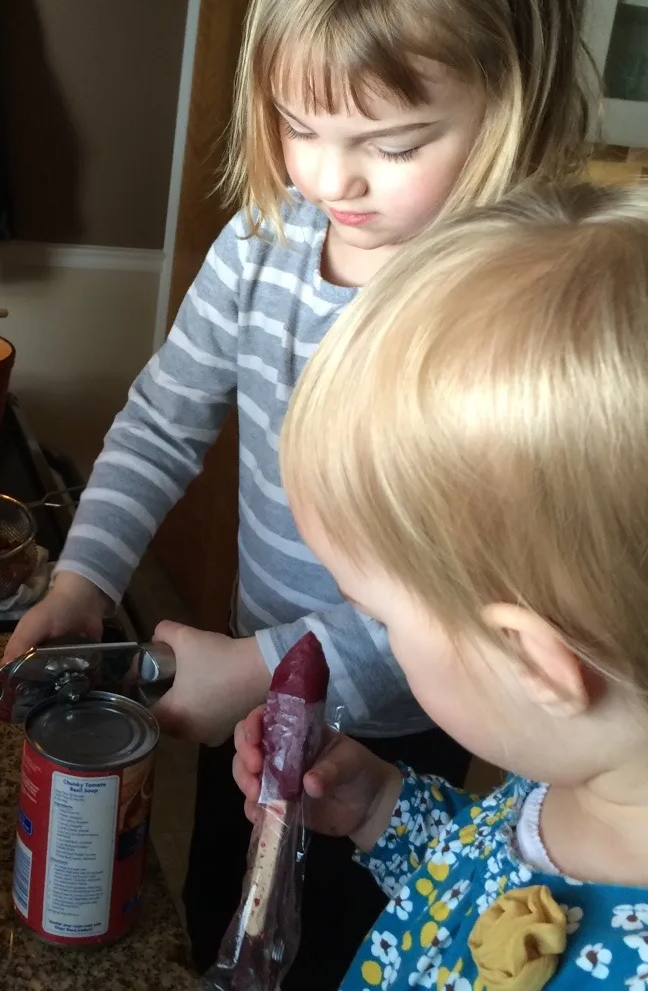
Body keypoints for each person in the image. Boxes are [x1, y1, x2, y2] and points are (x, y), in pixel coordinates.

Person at [3, 0, 596, 986]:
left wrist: (271, 663)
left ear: (510, 98)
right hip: (253, 675)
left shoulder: (502, 313)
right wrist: (85, 574)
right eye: (300, 124)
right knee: (231, 902)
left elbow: (478, 598)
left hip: (402, 703)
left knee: (340, 943)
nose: (333, 180)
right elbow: (167, 413)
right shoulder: (265, 243)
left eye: (394, 142)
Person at [234, 180, 648, 990]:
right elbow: (483, 872)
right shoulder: (577, 776)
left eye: (383, 618)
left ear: (529, 661)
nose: (372, 632)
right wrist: (376, 806)